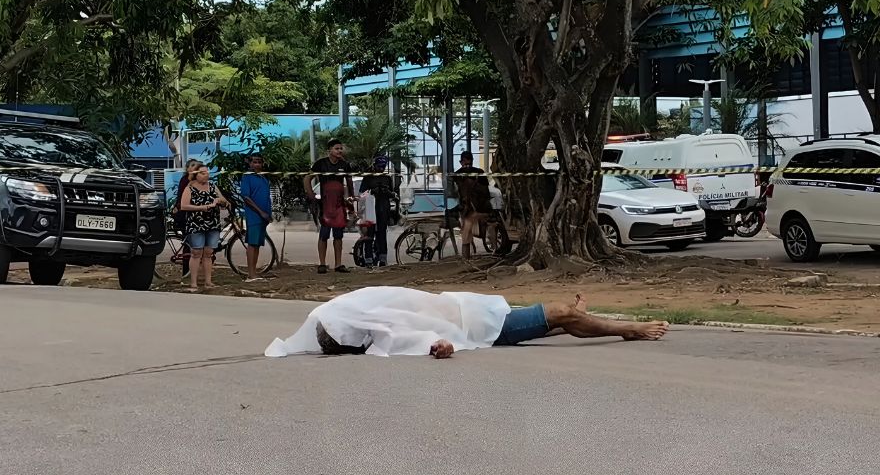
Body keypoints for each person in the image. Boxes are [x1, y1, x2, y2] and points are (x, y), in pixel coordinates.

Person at [264, 286, 669, 358]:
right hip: (482, 327)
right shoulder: (379, 334)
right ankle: (628, 328)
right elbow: (414, 340)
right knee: (560, 314)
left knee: (560, 318)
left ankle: (581, 314)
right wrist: (440, 346)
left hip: (474, 307)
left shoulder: (354, 306)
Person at [303, 138, 355, 274]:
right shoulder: (320, 164)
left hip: (339, 205)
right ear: (329, 150)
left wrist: (350, 198)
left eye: (340, 148)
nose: (339, 151)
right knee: (324, 235)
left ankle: (338, 264)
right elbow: (307, 178)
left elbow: (349, 181)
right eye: (336, 148)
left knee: (338, 236)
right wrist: (310, 194)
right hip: (325, 205)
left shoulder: (345, 165)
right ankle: (322, 264)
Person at [178, 164, 230, 292]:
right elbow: (184, 206)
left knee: (208, 253)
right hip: (196, 224)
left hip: (212, 224)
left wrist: (220, 201)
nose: (206, 175)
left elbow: (224, 200)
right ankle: (194, 283)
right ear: (196, 174)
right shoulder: (189, 188)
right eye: (202, 173)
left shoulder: (212, 186)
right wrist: (202, 207)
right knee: (196, 253)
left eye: (207, 172)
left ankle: (208, 282)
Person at [239, 153, 272, 282]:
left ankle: (254, 272)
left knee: (257, 244)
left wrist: (268, 214)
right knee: (252, 244)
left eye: (259, 162)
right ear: (250, 163)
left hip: (264, 216)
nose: (257, 164)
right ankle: (250, 274)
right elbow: (246, 197)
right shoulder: (247, 177)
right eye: (255, 162)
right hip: (254, 216)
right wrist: (260, 212)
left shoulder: (263, 178)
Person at [453, 151, 493, 259]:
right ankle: (496, 250)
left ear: (462, 161)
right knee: (490, 225)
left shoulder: (458, 174)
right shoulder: (480, 172)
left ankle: (465, 258)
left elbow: (456, 193)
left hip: (472, 210)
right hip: (483, 209)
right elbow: (487, 193)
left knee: (466, 230)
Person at [358, 155, 395, 267]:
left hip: (383, 207)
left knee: (382, 233)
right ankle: (368, 258)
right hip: (370, 207)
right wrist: (372, 191)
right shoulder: (368, 177)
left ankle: (383, 257)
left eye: (383, 167)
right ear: (374, 166)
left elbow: (393, 193)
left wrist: (386, 191)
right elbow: (362, 193)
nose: (381, 169)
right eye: (379, 166)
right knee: (370, 233)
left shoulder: (387, 178)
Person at [172, 159, 201, 276]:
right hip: (185, 215)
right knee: (188, 244)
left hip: (194, 214)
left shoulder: (198, 180)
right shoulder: (185, 180)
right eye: (192, 165)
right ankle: (186, 271)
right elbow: (182, 198)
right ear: (188, 168)